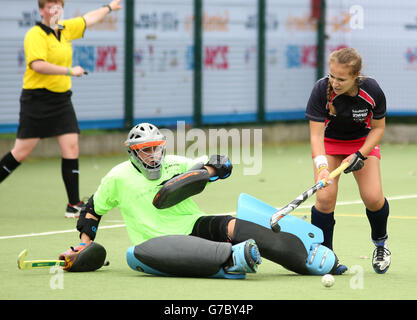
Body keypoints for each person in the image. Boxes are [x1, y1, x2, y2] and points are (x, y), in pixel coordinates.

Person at [59, 122, 342, 278]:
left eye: (157, 149)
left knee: (233, 225)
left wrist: (217, 166)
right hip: (158, 240)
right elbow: (92, 211)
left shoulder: (175, 164)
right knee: (137, 255)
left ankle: (306, 258)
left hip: (192, 223)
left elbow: (210, 165)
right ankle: (233, 259)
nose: (154, 156)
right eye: (146, 151)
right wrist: (84, 245)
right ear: (133, 153)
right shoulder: (117, 177)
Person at [0, 0, 122, 218]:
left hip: (61, 100)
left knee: (71, 146)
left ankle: (73, 204)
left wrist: (110, 7)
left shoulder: (65, 29)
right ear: (41, 10)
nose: (54, 10)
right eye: (49, 6)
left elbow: (89, 19)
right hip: (36, 99)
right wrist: (69, 71)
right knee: (20, 152)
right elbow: (37, 64)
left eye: (58, 6)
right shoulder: (35, 35)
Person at [305, 48, 391, 274]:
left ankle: (380, 243)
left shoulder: (372, 91)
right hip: (330, 144)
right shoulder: (320, 90)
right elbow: (316, 135)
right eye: (332, 75)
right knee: (324, 199)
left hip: (362, 143)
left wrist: (361, 154)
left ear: (356, 76)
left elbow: (378, 129)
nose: (334, 82)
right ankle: (325, 257)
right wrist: (322, 167)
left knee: (373, 198)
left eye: (341, 78)